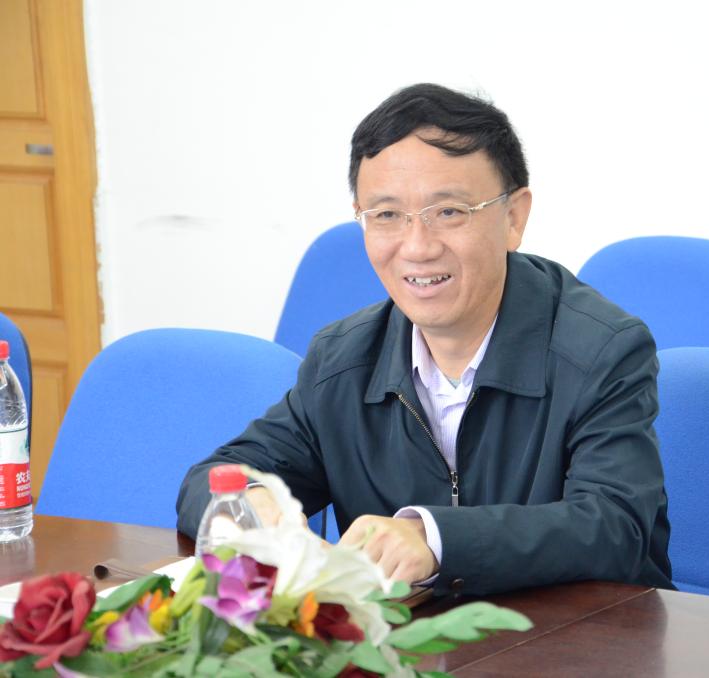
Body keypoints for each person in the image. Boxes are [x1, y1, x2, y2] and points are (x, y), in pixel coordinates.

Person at [177, 83, 672, 596]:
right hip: (406, 638)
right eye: (386, 215)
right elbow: (212, 478)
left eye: (449, 211)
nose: (416, 247)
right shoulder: (343, 359)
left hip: (577, 633)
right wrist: (250, 506)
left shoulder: (602, 350)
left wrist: (434, 538)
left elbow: (616, 527)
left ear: (513, 217)